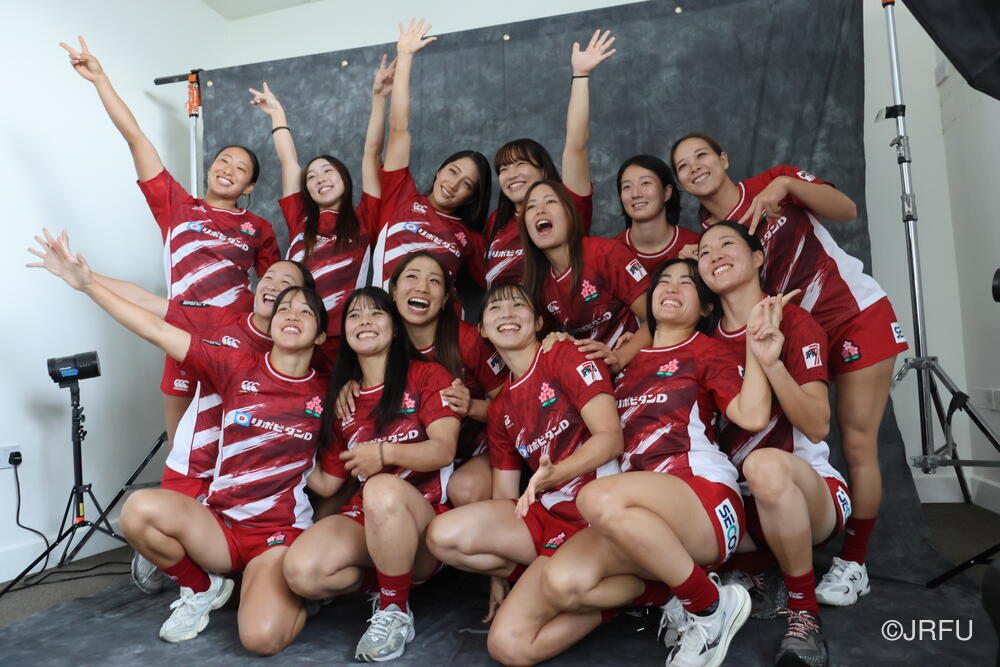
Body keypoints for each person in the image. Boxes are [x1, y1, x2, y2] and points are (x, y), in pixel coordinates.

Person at [33, 231, 326, 655]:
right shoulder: (232, 358)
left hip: (275, 530)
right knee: (138, 513)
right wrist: (88, 283)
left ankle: (286, 587)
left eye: (300, 302)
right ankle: (203, 587)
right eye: (278, 293)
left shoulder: (327, 389)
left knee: (261, 637)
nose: (285, 303)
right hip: (217, 511)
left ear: (320, 333)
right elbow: (155, 326)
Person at [487, 259, 773, 667]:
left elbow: (753, 415)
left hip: (701, 497)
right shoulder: (619, 365)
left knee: (594, 497)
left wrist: (759, 353)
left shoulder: (706, 350)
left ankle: (709, 609)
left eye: (686, 283)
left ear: (706, 306)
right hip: (631, 518)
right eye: (664, 281)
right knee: (529, 621)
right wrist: (555, 340)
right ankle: (669, 595)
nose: (671, 287)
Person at [672, 133, 908, 604]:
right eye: (682, 165)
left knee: (856, 439)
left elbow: (846, 210)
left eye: (702, 155)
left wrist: (787, 186)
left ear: (723, 158)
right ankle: (765, 557)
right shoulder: (708, 237)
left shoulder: (773, 182)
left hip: (852, 314)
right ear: (679, 182)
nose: (694, 166)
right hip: (791, 331)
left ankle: (854, 562)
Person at [59, 36, 280, 446]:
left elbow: (277, 293)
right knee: (182, 448)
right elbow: (136, 138)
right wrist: (101, 79)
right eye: (223, 160)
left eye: (241, 168)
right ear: (211, 167)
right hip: (180, 331)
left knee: (239, 445)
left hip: (239, 338)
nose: (228, 169)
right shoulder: (177, 206)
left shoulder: (259, 227)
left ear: (249, 186)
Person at [695, 220, 849, 666]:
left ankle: (804, 612)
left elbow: (817, 425)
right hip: (743, 512)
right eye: (704, 252)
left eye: (727, 244)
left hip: (810, 493)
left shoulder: (794, 321)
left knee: (763, 465)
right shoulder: (703, 341)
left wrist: (771, 363)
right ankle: (759, 571)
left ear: (758, 257)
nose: (715, 255)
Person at [426, 282, 623, 630]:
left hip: (599, 508)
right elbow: (504, 497)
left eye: (517, 305)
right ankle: (535, 577)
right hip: (549, 515)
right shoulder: (500, 407)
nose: (507, 314)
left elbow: (611, 439)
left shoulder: (563, 354)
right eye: (495, 308)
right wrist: (497, 576)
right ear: (482, 330)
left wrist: (555, 474)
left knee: (511, 641)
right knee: (441, 535)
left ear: (538, 322)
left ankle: (637, 590)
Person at [282, 287, 460, 662]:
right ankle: (387, 582)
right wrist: (283, 440)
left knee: (381, 489)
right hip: (366, 517)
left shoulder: (428, 375)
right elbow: (327, 482)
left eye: (376, 313)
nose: (365, 321)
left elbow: (443, 450)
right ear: (344, 332)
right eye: (354, 315)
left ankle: (395, 610)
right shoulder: (344, 400)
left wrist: (384, 453)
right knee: (301, 573)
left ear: (394, 327)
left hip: (424, 522)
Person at [248, 54, 394, 362]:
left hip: (341, 338)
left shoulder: (365, 217)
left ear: (345, 178)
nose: (320, 179)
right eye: (312, 177)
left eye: (328, 171)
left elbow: (372, 152)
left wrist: (378, 97)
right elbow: (289, 162)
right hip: (292, 332)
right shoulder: (300, 219)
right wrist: (277, 115)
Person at [338, 252, 507, 506]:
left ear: (445, 299)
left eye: (434, 281)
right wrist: (352, 384)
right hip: (419, 460)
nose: (422, 287)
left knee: (464, 489)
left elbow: (516, 408)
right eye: (412, 276)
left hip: (477, 450)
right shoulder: (380, 339)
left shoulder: (467, 340)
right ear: (393, 291)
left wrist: (472, 407)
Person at [485, 28, 616, 287]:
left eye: (521, 164)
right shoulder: (497, 222)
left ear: (543, 171)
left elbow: (576, 144)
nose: (511, 175)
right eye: (503, 169)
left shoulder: (568, 203)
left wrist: (580, 75)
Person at [371, 19, 492, 290]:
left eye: (466, 184)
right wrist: (405, 56)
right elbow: (399, 130)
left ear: (472, 197)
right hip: (385, 311)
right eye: (453, 171)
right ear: (439, 171)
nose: (453, 184)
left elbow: (505, 281)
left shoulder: (468, 239)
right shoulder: (401, 196)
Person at [520, 180, 651, 372]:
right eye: (531, 207)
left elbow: (658, 319)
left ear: (570, 214)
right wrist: (561, 341)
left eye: (550, 201)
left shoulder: (606, 254)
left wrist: (619, 358)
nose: (540, 210)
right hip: (593, 374)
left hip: (637, 364)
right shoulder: (538, 284)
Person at [615, 154, 700, 274]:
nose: (635, 194)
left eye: (645, 183)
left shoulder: (694, 245)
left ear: (667, 192)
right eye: (627, 187)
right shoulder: (612, 251)